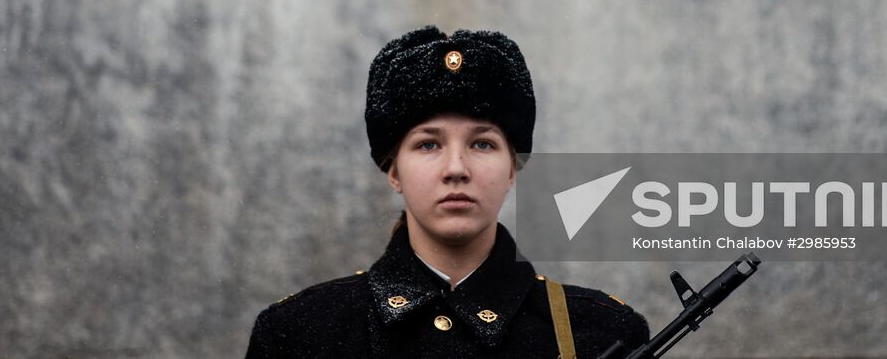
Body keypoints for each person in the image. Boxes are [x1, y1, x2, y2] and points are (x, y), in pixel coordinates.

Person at [244, 24, 651, 358]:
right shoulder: (297, 336)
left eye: (482, 144)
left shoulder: (601, 331)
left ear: (512, 167)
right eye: (428, 144)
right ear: (394, 170)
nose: (456, 169)